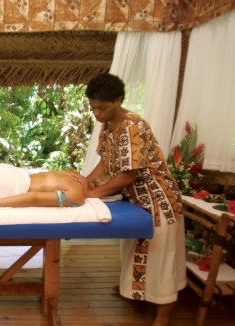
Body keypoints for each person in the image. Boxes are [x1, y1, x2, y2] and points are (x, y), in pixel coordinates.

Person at [78, 73, 186, 326]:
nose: (97, 113)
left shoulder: (132, 126)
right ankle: (137, 292)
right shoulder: (108, 126)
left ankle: (163, 316)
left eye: (102, 108)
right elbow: (105, 163)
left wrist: (91, 194)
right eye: (92, 107)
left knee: (161, 262)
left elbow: (128, 175)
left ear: (118, 100)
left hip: (160, 201)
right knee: (137, 251)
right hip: (138, 201)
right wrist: (86, 183)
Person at [0, 164, 87, 208]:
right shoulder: (77, 194)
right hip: (9, 184)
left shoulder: (72, 175)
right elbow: (34, 198)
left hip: (7, 172)